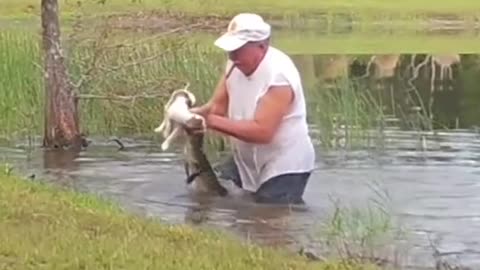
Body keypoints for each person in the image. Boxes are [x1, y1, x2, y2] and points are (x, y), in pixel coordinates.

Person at [190, 13, 315, 204]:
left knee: (269, 219)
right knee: (215, 197)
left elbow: (263, 132)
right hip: (246, 158)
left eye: (238, 49)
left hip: (286, 163)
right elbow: (215, 108)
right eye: (230, 49)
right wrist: (192, 116)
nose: (232, 55)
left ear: (262, 46)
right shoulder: (235, 64)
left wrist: (210, 121)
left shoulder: (279, 76)